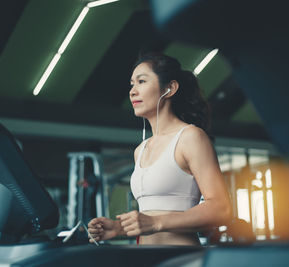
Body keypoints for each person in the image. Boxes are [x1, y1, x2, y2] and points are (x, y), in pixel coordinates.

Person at [88, 52, 232, 245]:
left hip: (181, 257)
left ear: (170, 88)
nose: (132, 91)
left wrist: (155, 222)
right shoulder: (140, 149)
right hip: (145, 257)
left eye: (141, 81)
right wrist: (118, 228)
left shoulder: (190, 137)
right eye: (132, 84)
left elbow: (221, 208)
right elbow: (151, 216)